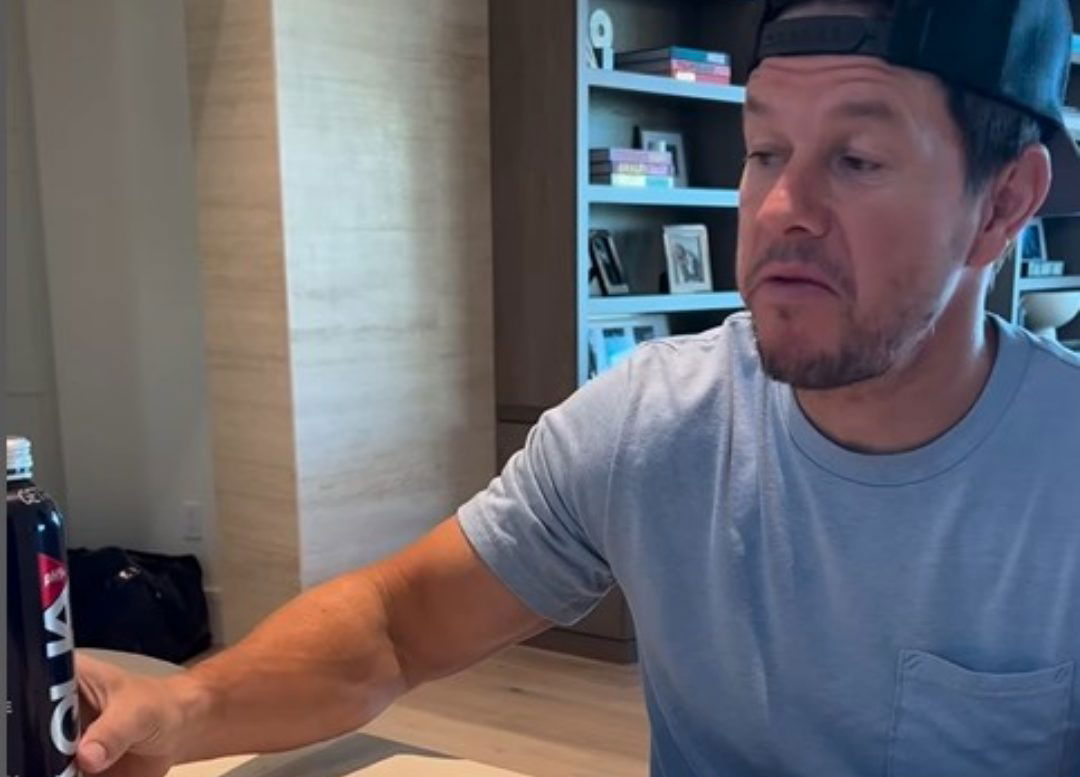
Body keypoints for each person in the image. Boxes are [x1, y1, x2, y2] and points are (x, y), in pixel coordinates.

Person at [74, 1, 1080, 775]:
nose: (782, 207)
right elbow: (393, 627)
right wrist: (186, 709)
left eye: (856, 158)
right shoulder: (653, 423)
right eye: (764, 149)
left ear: (1005, 203)